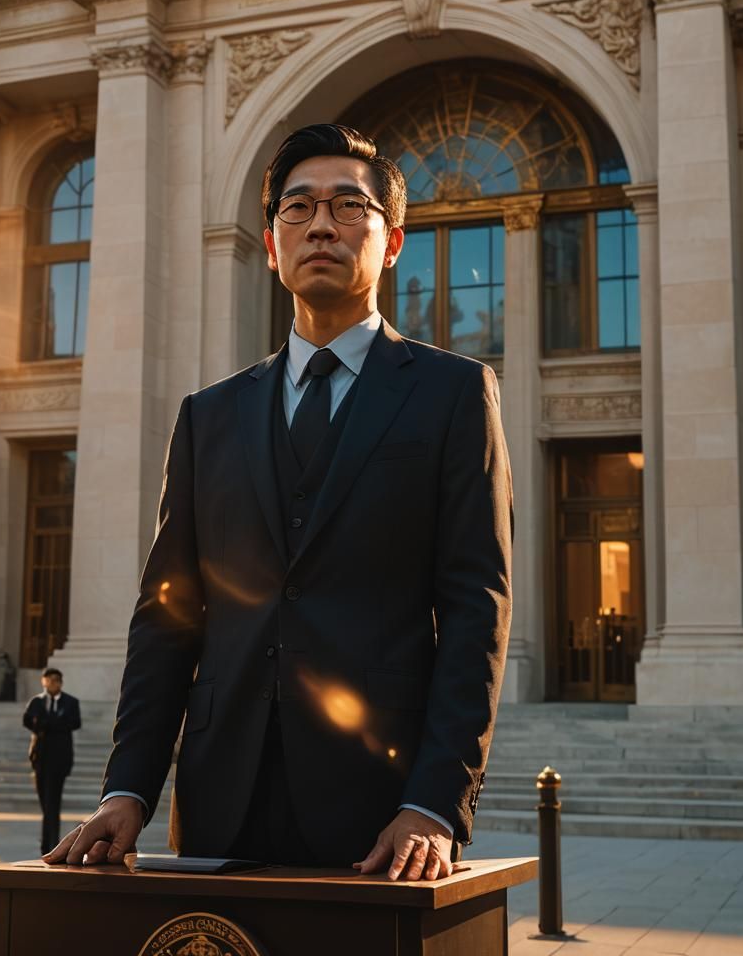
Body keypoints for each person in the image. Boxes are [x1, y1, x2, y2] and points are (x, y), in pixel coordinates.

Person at [46, 123, 513, 881]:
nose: (321, 224)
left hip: (382, 815)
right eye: (297, 209)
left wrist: (434, 802)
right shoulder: (210, 414)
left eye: (347, 207)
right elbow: (169, 617)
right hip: (219, 803)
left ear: (392, 243)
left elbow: (475, 610)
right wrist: (128, 787)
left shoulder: (455, 395)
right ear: (271, 245)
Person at [23, 668, 81, 855]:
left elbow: (74, 723)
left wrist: (47, 724)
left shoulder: (71, 702)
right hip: (40, 758)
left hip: (60, 759)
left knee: (52, 802)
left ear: (61, 683)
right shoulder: (37, 702)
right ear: (44, 681)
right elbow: (28, 721)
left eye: (57, 680)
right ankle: (48, 842)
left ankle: (51, 845)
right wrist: (51, 724)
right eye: (50, 679)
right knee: (46, 803)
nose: (53, 683)